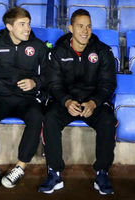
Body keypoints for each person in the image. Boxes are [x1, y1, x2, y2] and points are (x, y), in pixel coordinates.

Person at [38, 9, 117, 195]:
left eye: (88, 26)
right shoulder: (58, 52)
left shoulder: (103, 51)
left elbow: (108, 84)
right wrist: (66, 101)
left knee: (107, 121)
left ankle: (102, 172)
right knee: (49, 119)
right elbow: (53, 83)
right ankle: (54, 172)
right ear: (70, 28)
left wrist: (94, 102)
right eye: (80, 26)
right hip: (65, 101)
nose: (85, 31)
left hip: (93, 103)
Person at [0, 7, 48, 190]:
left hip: (27, 98)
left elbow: (51, 75)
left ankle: (20, 167)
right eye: (22, 24)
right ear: (9, 27)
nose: (27, 28)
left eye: (28, 23)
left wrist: (35, 83)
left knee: (37, 117)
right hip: (0, 96)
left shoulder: (38, 47)